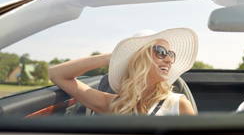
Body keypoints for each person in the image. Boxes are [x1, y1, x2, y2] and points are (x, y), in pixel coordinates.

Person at [49, 28, 198, 115]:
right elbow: (57, 74)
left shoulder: (179, 104)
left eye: (171, 54)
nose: (169, 59)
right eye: (161, 51)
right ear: (138, 58)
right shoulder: (116, 104)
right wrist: (114, 57)